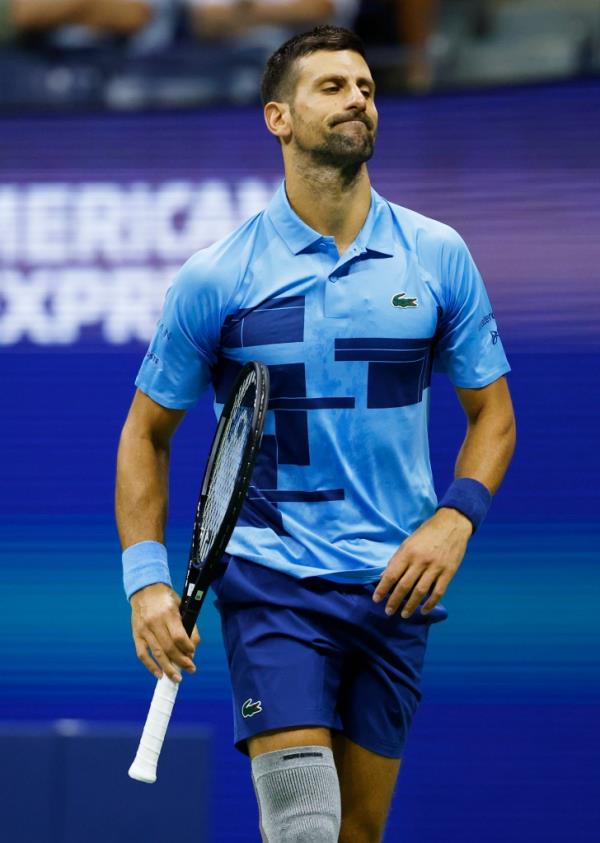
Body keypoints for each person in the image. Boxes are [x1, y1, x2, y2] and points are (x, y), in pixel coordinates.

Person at [116, 24, 516, 842]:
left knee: (355, 834)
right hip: (272, 582)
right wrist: (146, 578)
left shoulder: (437, 256)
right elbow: (145, 434)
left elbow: (494, 417)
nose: (358, 99)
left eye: (366, 87)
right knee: (304, 826)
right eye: (332, 87)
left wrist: (455, 517)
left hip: (396, 585)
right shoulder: (217, 276)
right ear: (279, 118)